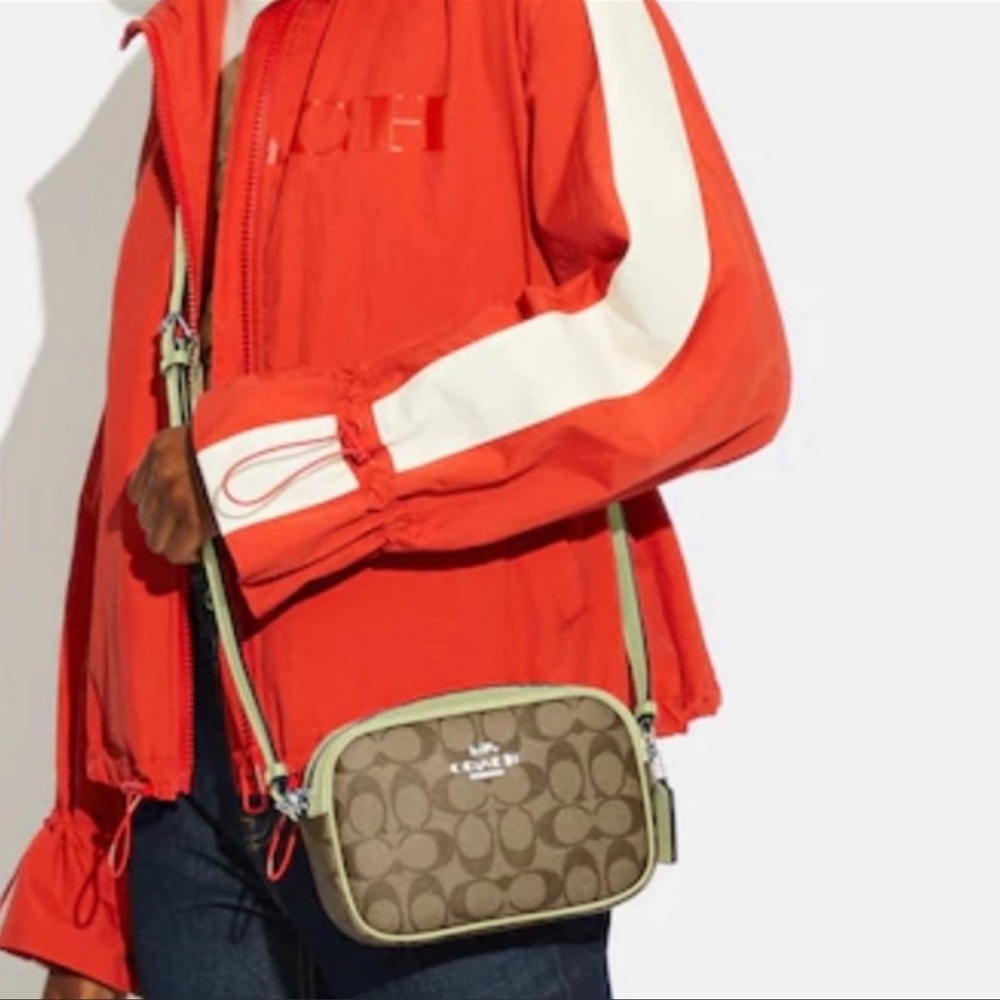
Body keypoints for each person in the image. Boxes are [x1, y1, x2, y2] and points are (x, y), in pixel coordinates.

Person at [0, 1, 790, 997]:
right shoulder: (194, 28)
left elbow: (697, 336)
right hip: (183, 818)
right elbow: (147, 444)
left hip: (451, 776)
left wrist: (293, 461)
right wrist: (94, 876)